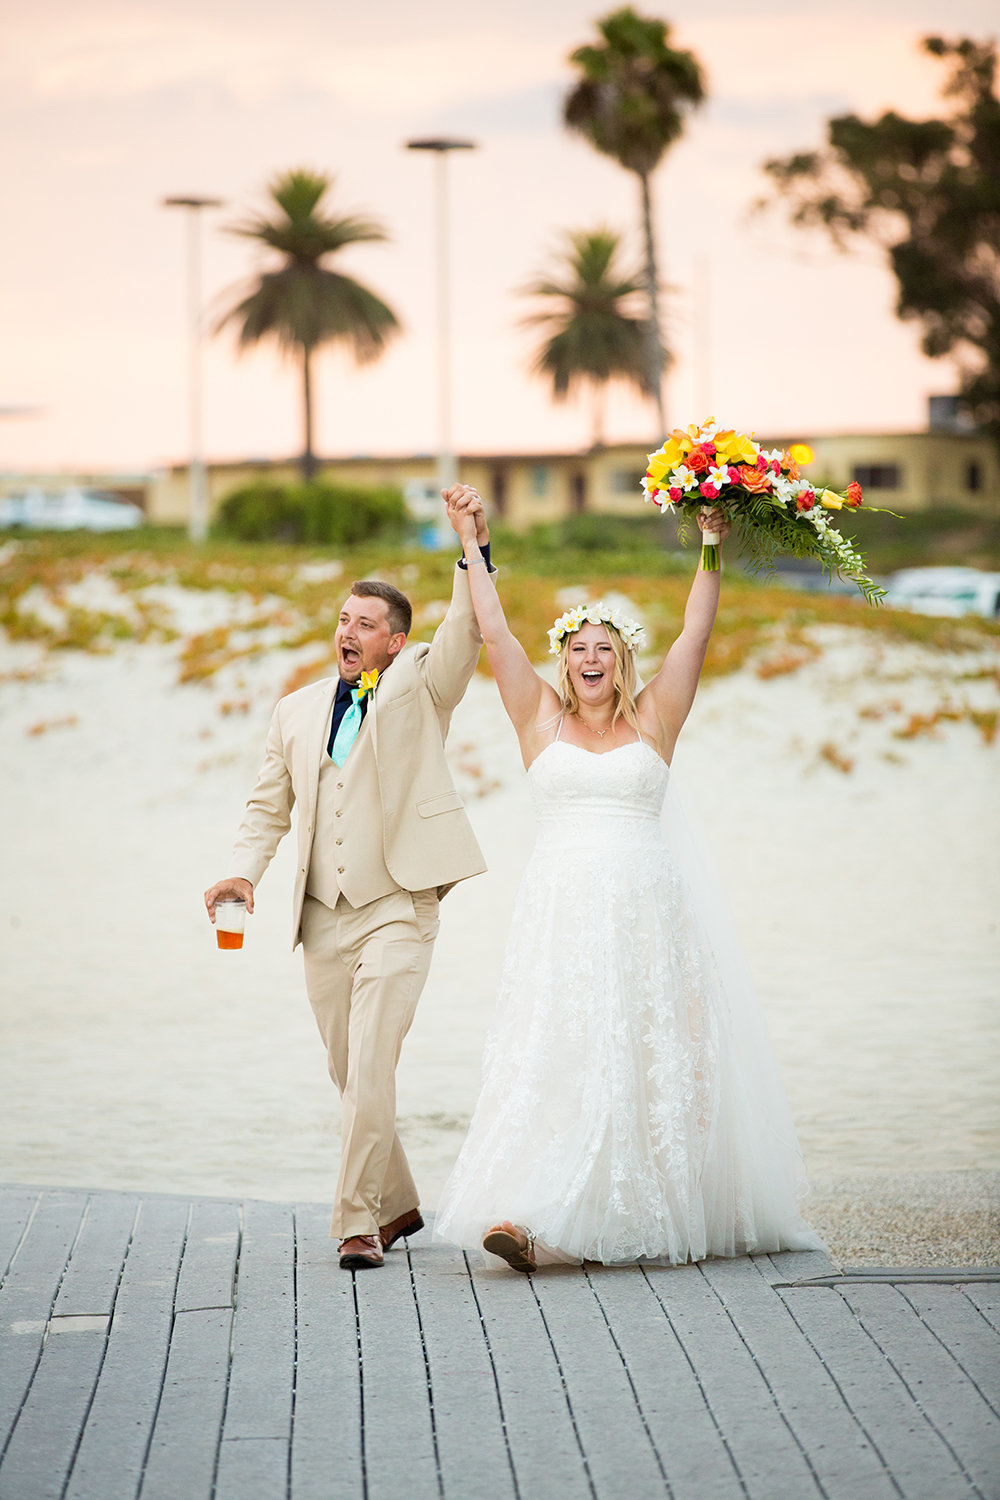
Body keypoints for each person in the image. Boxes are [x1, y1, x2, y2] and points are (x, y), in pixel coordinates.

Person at [435, 486, 823, 1272]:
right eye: (577, 648)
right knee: (559, 1052)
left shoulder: (656, 720)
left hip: (649, 913)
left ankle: (627, 1211)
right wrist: (473, 542)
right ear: (564, 660)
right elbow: (494, 630)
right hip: (562, 915)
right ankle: (532, 1211)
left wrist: (711, 543)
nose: (589, 660)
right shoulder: (537, 717)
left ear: (623, 660)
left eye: (604, 649)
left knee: (648, 1060)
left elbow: (699, 631)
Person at [204, 490, 495, 1272]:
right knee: (347, 1072)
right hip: (321, 919)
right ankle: (399, 1203)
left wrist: (471, 545)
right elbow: (268, 806)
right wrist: (240, 871)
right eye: (343, 620)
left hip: (400, 906)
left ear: (396, 642)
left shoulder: (422, 686)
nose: (348, 632)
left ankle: (354, 1223)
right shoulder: (295, 710)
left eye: (366, 624)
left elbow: (464, 631)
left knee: (370, 1066)